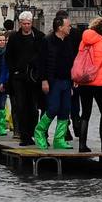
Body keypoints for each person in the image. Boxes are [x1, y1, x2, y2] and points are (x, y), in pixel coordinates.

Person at [74, 17, 102, 152]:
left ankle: (82, 145)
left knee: (85, 113)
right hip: (99, 83)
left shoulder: (83, 42)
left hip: (84, 82)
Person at [34, 15, 77, 150]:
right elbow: (41, 62)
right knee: (53, 108)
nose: (70, 27)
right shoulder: (47, 41)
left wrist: (72, 81)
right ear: (60, 27)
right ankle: (39, 132)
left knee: (65, 109)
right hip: (53, 80)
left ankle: (59, 139)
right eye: (68, 25)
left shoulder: (68, 41)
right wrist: (44, 80)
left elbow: (71, 62)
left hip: (66, 80)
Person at [4, 11, 45, 145]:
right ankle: (24, 135)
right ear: (20, 24)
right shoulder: (14, 38)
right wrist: (14, 71)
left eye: (28, 23)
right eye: (24, 24)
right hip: (18, 77)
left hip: (34, 78)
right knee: (21, 106)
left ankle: (33, 132)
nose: (26, 26)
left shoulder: (39, 36)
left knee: (33, 107)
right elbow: (8, 57)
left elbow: (43, 55)